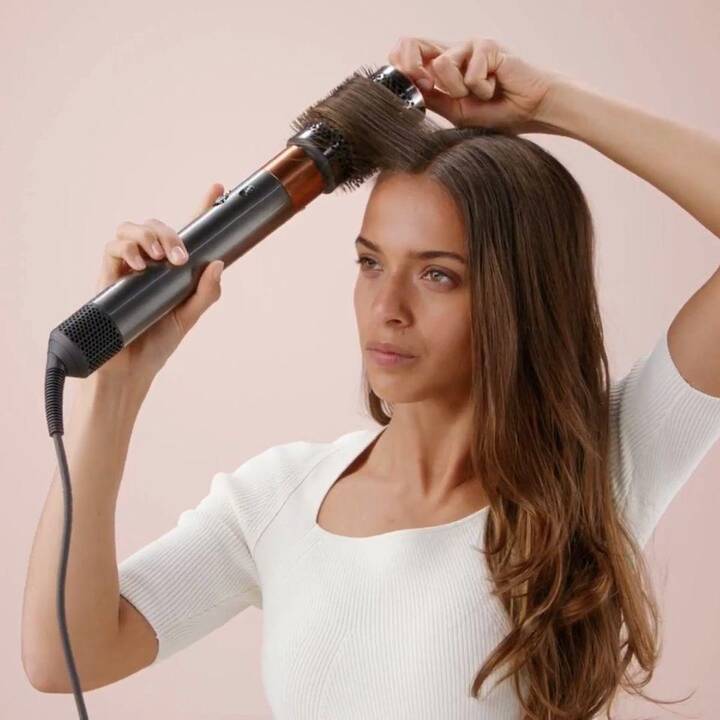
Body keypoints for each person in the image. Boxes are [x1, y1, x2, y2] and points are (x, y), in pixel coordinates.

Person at [22, 35, 720, 720]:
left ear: (521, 296)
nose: (387, 308)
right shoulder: (277, 500)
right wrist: (113, 390)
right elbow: (64, 657)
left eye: (438, 275)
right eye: (370, 263)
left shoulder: (600, 465)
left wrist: (551, 104)